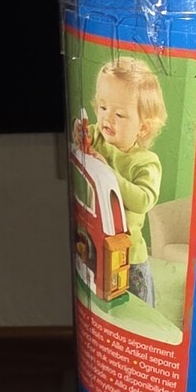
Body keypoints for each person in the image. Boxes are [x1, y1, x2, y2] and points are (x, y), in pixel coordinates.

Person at [76, 56, 167, 306]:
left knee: (137, 308)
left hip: (130, 255)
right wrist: (78, 135)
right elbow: (81, 142)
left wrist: (110, 174)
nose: (107, 118)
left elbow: (144, 200)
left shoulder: (146, 162)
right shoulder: (96, 136)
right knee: (101, 298)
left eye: (119, 114)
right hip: (98, 240)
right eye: (102, 107)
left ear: (143, 128)